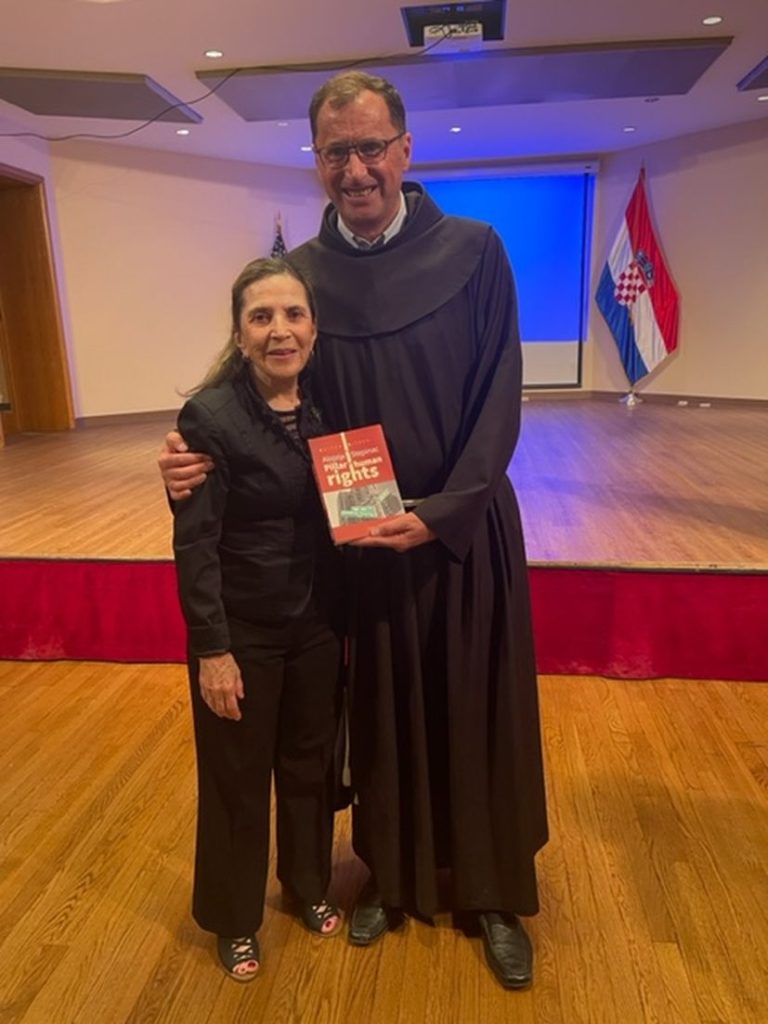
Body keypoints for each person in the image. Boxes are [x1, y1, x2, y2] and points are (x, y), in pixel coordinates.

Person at [160, 71, 548, 990]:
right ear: (318, 161)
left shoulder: (475, 250)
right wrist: (186, 454)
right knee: (382, 719)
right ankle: (392, 877)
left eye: (372, 147)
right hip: (363, 546)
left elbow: (500, 393)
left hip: (460, 535)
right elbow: (260, 390)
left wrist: (443, 513)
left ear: (405, 150)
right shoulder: (309, 278)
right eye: (338, 152)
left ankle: (491, 893)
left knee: (472, 711)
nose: (357, 168)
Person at [172, 257, 344, 982]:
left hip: (318, 625)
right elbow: (195, 544)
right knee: (237, 781)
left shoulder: (332, 404)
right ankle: (234, 918)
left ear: (314, 327)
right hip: (241, 632)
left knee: (309, 767)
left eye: (294, 315)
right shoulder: (210, 416)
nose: (281, 331)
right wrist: (212, 650)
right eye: (262, 317)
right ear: (240, 334)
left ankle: (307, 884)